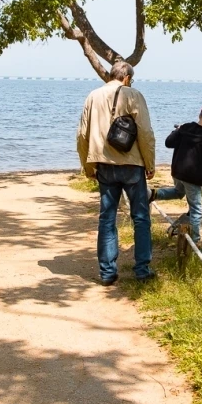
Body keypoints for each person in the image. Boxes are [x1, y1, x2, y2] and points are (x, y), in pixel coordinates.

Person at [76, 60, 157, 285]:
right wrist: (150, 164)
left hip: (104, 164)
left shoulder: (93, 96)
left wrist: (88, 166)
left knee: (107, 218)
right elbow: (146, 133)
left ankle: (107, 272)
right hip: (132, 165)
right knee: (140, 217)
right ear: (127, 78)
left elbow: (82, 135)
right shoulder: (134, 95)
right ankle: (142, 269)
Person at [153, 104, 202, 242]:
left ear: (200, 115)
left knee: (178, 192)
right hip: (192, 177)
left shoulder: (185, 128)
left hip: (178, 172)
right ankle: (194, 242)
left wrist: (178, 130)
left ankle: (152, 194)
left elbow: (168, 142)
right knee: (196, 209)